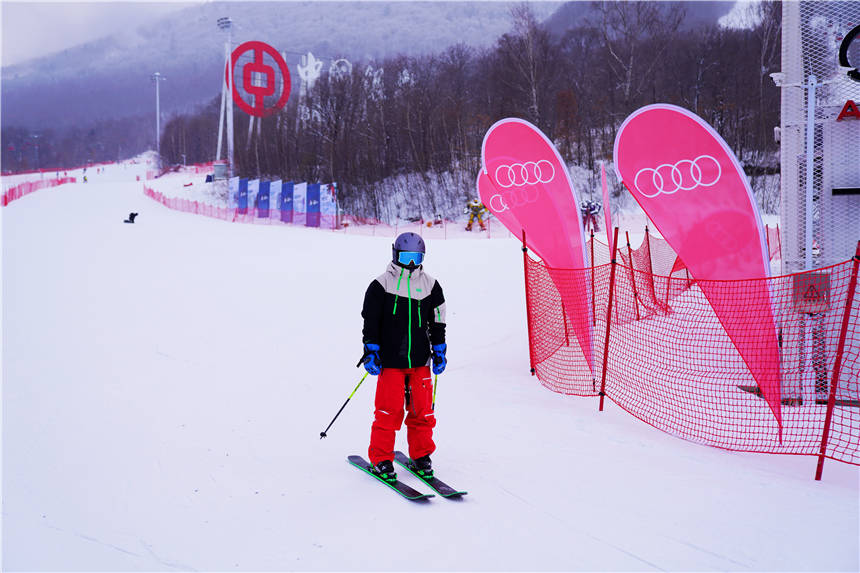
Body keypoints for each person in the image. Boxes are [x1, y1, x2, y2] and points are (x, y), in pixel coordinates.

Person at [360, 232, 447, 483]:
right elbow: (370, 322)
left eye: (416, 257)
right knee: (389, 411)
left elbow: (438, 321)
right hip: (391, 362)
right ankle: (381, 459)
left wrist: (439, 350)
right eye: (406, 257)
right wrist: (371, 349)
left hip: (420, 361)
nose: (411, 264)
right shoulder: (380, 285)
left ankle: (421, 456)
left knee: (423, 412)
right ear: (396, 255)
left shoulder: (431, 285)